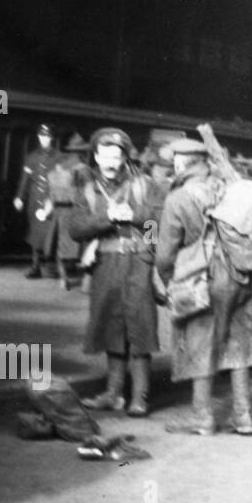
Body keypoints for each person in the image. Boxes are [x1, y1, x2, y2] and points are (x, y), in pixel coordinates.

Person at [155, 138, 252, 435]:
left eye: (175, 162)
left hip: (203, 279)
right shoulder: (230, 187)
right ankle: (243, 416)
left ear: (182, 164)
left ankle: (202, 416)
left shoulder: (178, 198)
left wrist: (167, 280)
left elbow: (166, 253)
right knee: (238, 342)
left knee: (200, 342)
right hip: (241, 272)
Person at [69, 127, 162, 418]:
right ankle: (113, 393)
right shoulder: (87, 189)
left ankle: (139, 397)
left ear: (124, 157)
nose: (110, 161)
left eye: (116, 155)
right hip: (105, 266)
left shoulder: (144, 185)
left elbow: (161, 223)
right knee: (111, 326)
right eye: (104, 155)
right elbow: (75, 228)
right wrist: (106, 218)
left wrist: (134, 215)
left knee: (139, 326)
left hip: (138, 263)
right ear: (95, 156)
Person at [15, 123, 61, 278]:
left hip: (50, 198)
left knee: (50, 233)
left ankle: (50, 266)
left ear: (51, 138)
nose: (44, 139)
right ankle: (35, 267)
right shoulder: (32, 156)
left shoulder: (59, 157)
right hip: (34, 199)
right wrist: (20, 197)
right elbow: (24, 179)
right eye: (41, 136)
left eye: (47, 136)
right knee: (35, 233)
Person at [46, 133, 88, 287]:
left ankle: (63, 278)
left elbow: (51, 190)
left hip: (59, 210)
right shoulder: (83, 168)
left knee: (60, 246)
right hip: (76, 210)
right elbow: (88, 192)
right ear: (82, 151)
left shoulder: (60, 167)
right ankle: (85, 279)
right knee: (83, 245)